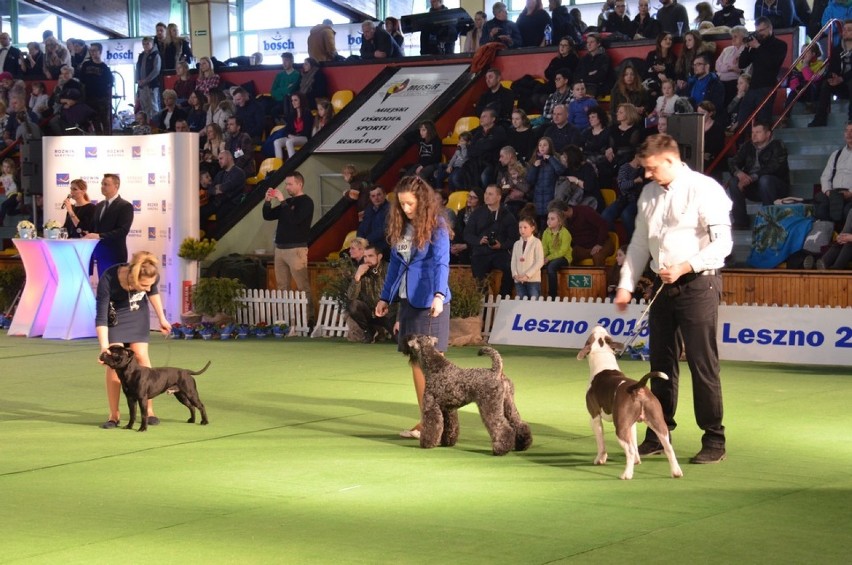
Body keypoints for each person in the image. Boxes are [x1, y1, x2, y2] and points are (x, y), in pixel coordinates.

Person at [614, 133, 732, 465]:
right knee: (660, 366)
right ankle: (658, 433)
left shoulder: (705, 189)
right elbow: (638, 243)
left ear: (670, 159)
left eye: (652, 168)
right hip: (663, 287)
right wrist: (627, 283)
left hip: (698, 285)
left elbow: (722, 244)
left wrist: (686, 265)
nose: (648, 174)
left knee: (702, 364)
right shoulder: (649, 193)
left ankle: (714, 438)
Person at [375, 176, 452, 440]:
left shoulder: (437, 227)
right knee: (416, 363)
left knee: (433, 366)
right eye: (402, 204)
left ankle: (437, 424)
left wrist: (439, 295)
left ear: (423, 201)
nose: (406, 209)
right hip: (408, 301)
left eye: (410, 203)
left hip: (431, 302)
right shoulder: (402, 228)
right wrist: (385, 298)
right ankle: (427, 421)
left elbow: (442, 263)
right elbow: (396, 265)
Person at [95, 251, 171, 429]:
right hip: (115, 316)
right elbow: (101, 317)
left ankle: (149, 411)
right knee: (114, 363)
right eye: (143, 285)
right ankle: (114, 415)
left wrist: (162, 318)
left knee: (141, 356)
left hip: (137, 314)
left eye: (149, 285)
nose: (146, 288)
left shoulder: (150, 274)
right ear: (132, 277)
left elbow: (153, 293)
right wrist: (104, 347)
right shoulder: (108, 279)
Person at [262, 172, 315, 320]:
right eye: (286, 184)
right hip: (280, 249)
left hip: (296, 249)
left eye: (290, 184)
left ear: (300, 184)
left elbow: (295, 220)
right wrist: (267, 201)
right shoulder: (288, 203)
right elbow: (268, 216)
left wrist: (283, 201)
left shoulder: (306, 202)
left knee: (302, 286)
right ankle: (285, 319)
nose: (287, 187)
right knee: (282, 287)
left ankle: (308, 319)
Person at [726, 121, 790, 228]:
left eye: (758, 132)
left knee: (765, 180)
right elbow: (733, 161)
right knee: (733, 181)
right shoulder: (747, 146)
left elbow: (773, 168)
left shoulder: (778, 145)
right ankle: (741, 221)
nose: (754, 135)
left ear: (768, 134)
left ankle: (770, 219)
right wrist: (739, 173)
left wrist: (750, 178)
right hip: (753, 186)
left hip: (775, 186)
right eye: (752, 132)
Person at [464, 183, 518, 297]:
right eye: (486, 193)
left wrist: (501, 245)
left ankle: (504, 298)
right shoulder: (477, 214)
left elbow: (514, 238)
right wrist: (479, 240)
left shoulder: (507, 215)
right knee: (479, 275)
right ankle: (483, 301)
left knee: (510, 268)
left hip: (499, 252)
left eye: (490, 194)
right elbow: (467, 234)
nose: (486, 196)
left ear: (499, 197)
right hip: (481, 252)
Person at [738, 17, 787, 126]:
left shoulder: (780, 45)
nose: (759, 34)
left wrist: (758, 47)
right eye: (757, 31)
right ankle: (743, 142)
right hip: (753, 86)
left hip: (768, 86)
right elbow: (742, 64)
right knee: (742, 118)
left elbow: (772, 63)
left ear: (770, 28)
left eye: (762, 30)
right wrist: (746, 48)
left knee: (763, 119)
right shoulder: (757, 45)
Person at [84, 174, 133, 277]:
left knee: (114, 289)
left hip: (114, 255)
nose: (102, 187)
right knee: (103, 287)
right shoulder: (99, 205)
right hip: (100, 254)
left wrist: (99, 235)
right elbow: (94, 227)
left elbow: (122, 231)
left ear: (116, 186)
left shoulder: (125, 206)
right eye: (102, 184)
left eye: (106, 184)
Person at [347, 244, 396, 343]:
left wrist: (389, 308)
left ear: (379, 256)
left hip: (388, 312)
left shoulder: (390, 269)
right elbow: (351, 296)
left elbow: (398, 294)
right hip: (370, 313)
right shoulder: (361, 270)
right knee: (353, 305)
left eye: (371, 256)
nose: (367, 259)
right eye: (365, 256)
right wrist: (357, 277)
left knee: (398, 340)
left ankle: (385, 333)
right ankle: (369, 330)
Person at [810, 19, 852, 128]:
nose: (846, 32)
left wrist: (842, 78)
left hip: (849, 81)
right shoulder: (837, 49)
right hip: (842, 84)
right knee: (826, 83)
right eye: (845, 29)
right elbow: (832, 67)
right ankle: (820, 118)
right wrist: (832, 77)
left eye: (849, 30)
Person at [815, 122, 852, 223]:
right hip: (833, 193)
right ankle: (828, 235)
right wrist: (828, 191)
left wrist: (850, 193)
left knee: (847, 212)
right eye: (846, 131)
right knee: (821, 211)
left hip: (850, 194)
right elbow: (825, 177)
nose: (849, 134)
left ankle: (843, 236)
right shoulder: (836, 154)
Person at [199, 150, 247, 222]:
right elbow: (210, 189)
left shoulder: (239, 172)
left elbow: (225, 188)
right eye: (218, 159)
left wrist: (219, 188)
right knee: (197, 213)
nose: (219, 161)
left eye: (221, 158)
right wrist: (217, 189)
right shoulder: (220, 174)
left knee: (222, 213)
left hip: (230, 203)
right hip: (217, 203)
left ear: (229, 158)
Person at [527, 136, 567, 222]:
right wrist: (535, 167)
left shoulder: (555, 158)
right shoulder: (534, 160)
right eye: (540, 145)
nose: (542, 147)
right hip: (538, 197)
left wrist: (550, 158)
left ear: (550, 147)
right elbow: (530, 180)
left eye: (545, 145)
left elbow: (561, 170)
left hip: (551, 196)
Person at [79, 43, 114, 134]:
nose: (92, 53)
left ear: (100, 51)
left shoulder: (104, 67)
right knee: (95, 121)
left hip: (102, 98)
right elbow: (82, 80)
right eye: (91, 51)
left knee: (105, 122)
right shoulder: (86, 65)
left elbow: (110, 82)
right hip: (90, 97)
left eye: (94, 50)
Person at [541, 209, 572, 298]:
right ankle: (537, 292)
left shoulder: (565, 233)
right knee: (537, 265)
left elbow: (562, 251)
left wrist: (548, 258)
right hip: (550, 257)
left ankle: (553, 296)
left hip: (564, 258)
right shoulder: (546, 232)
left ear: (559, 222)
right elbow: (544, 248)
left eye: (552, 219)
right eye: (548, 218)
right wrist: (542, 258)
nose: (549, 221)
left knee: (551, 267)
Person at [272, 92, 313, 159]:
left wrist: (295, 136)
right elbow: (286, 130)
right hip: (293, 137)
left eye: (295, 100)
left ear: (301, 100)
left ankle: (292, 165)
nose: (293, 102)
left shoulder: (307, 113)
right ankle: (279, 165)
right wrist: (289, 135)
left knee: (289, 142)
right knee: (277, 142)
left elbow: (307, 131)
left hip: (304, 137)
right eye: (292, 100)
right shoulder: (292, 114)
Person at [511, 215, 544, 298]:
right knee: (522, 303)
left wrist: (527, 275)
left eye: (525, 227)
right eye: (520, 227)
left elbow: (539, 261)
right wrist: (515, 275)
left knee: (533, 304)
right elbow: (513, 261)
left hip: (533, 280)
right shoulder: (516, 244)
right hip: (519, 280)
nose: (522, 230)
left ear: (532, 228)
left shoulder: (537, 242)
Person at [715, 26, 749, 106]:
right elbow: (717, 66)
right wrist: (729, 68)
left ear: (743, 37)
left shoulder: (747, 50)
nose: (732, 39)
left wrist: (727, 67)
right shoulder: (727, 49)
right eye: (732, 36)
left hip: (735, 83)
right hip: (721, 82)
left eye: (736, 36)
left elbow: (744, 70)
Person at [357, 185, 390, 256]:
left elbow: (385, 230)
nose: (376, 198)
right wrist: (360, 239)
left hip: (383, 245)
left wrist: (367, 240)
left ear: (384, 195)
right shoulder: (368, 209)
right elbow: (362, 227)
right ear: (370, 198)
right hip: (367, 244)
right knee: (345, 253)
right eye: (373, 196)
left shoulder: (391, 209)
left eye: (379, 195)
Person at [451, 189, 482, 265]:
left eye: (474, 197)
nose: (470, 199)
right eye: (469, 196)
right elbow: (457, 230)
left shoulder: (483, 214)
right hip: (461, 242)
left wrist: (466, 246)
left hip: (474, 245)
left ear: (480, 200)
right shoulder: (462, 212)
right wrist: (454, 245)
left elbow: (481, 236)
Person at [271, 52, 301, 120]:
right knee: (271, 110)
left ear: (292, 61)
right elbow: (273, 91)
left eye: (286, 60)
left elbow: (290, 90)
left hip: (290, 102)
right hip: (278, 101)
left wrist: (280, 90)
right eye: (283, 61)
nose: (284, 63)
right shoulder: (279, 75)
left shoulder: (297, 75)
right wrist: (285, 89)